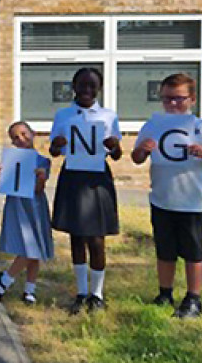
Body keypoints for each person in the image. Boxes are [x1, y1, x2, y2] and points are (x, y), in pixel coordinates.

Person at [132, 73, 202, 319]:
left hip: (193, 201)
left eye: (178, 99)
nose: (172, 105)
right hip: (162, 198)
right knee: (165, 250)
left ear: (192, 99)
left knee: (193, 251)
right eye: (166, 99)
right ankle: (165, 293)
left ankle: (194, 298)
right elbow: (136, 157)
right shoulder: (153, 124)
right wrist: (142, 150)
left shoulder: (201, 127)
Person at [49, 67, 123, 314]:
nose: (87, 90)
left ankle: (97, 294)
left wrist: (114, 147)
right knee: (77, 235)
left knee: (97, 237)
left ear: (99, 88)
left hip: (96, 177)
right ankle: (81, 292)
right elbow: (54, 151)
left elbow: (116, 154)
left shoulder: (108, 116)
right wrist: (56, 145)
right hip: (73, 176)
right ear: (74, 86)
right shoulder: (63, 115)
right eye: (82, 85)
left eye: (92, 86)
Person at [0, 121, 54, 305]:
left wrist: (41, 178)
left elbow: (38, 189)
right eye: (15, 138)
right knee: (28, 247)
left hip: (35, 205)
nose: (21, 139)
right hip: (18, 205)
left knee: (35, 248)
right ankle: (4, 282)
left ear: (33, 133)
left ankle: (29, 289)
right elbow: (8, 183)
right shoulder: (12, 161)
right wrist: (1, 174)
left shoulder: (43, 161)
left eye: (24, 134)